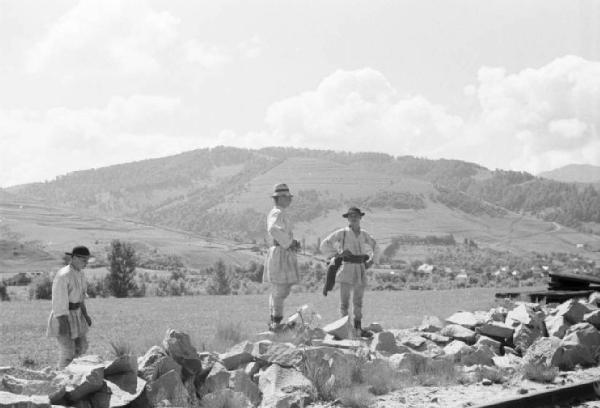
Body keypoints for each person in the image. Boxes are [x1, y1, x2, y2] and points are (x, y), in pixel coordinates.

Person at [320, 207, 378, 338]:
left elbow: (376, 246)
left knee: (358, 301)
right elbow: (324, 244)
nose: (353, 218)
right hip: (346, 268)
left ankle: (358, 329)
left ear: (360, 217)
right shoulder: (342, 233)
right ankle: (344, 329)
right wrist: (337, 255)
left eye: (356, 215)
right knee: (344, 302)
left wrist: (372, 261)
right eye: (350, 216)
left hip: (360, 269)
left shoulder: (364, 234)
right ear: (347, 218)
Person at [46, 246, 93, 367]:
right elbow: (59, 302)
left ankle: (72, 374)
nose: (86, 264)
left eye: (87, 260)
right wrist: (63, 325)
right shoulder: (63, 275)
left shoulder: (81, 274)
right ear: (75, 258)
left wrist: (86, 315)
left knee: (81, 346)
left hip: (77, 315)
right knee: (68, 351)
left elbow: (81, 297)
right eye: (84, 260)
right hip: (63, 316)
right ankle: (62, 379)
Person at [263, 183, 301, 332]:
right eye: (287, 197)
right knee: (280, 289)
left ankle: (275, 320)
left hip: (282, 252)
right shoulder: (277, 212)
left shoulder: (279, 212)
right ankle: (276, 322)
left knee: (281, 289)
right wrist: (289, 243)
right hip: (280, 253)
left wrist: (292, 243)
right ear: (280, 198)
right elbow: (273, 229)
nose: (290, 200)